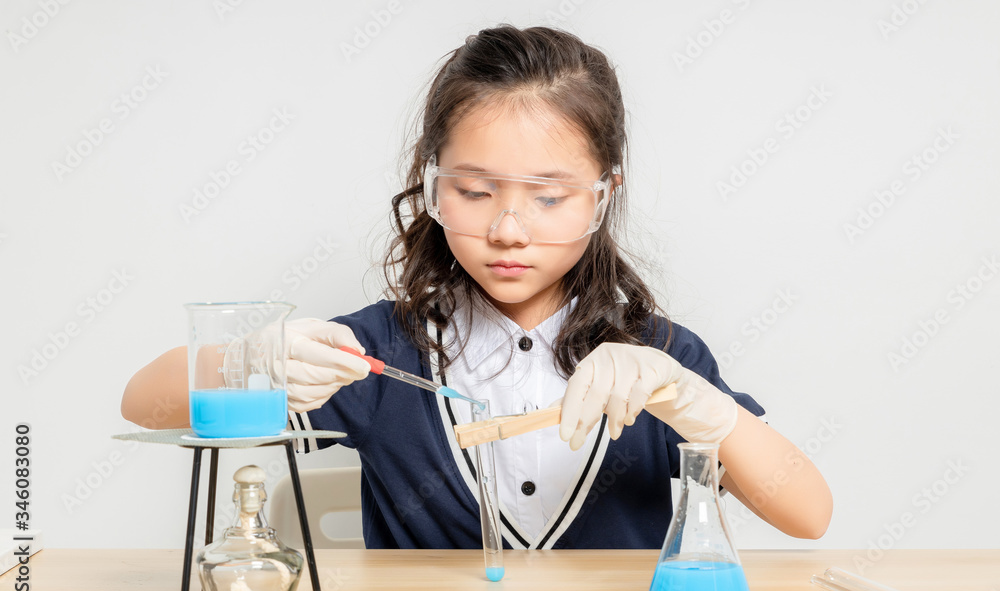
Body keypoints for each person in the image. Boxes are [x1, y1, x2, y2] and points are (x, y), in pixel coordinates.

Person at [122, 25, 832, 550]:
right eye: (474, 190)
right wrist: (252, 359)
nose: (508, 229)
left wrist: (690, 399)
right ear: (431, 185)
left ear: (603, 195)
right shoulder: (377, 353)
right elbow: (143, 402)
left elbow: (808, 512)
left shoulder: (656, 357)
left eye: (549, 197)